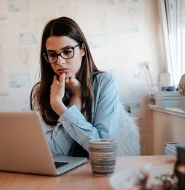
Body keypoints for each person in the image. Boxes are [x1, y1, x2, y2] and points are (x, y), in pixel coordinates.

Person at [31, 16, 139, 157]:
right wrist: (75, 99)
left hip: (98, 171)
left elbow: (102, 145)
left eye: (67, 51)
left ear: (82, 49)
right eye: (52, 55)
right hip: (59, 175)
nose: (60, 61)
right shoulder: (40, 91)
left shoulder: (104, 83)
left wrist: (61, 108)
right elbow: (54, 152)